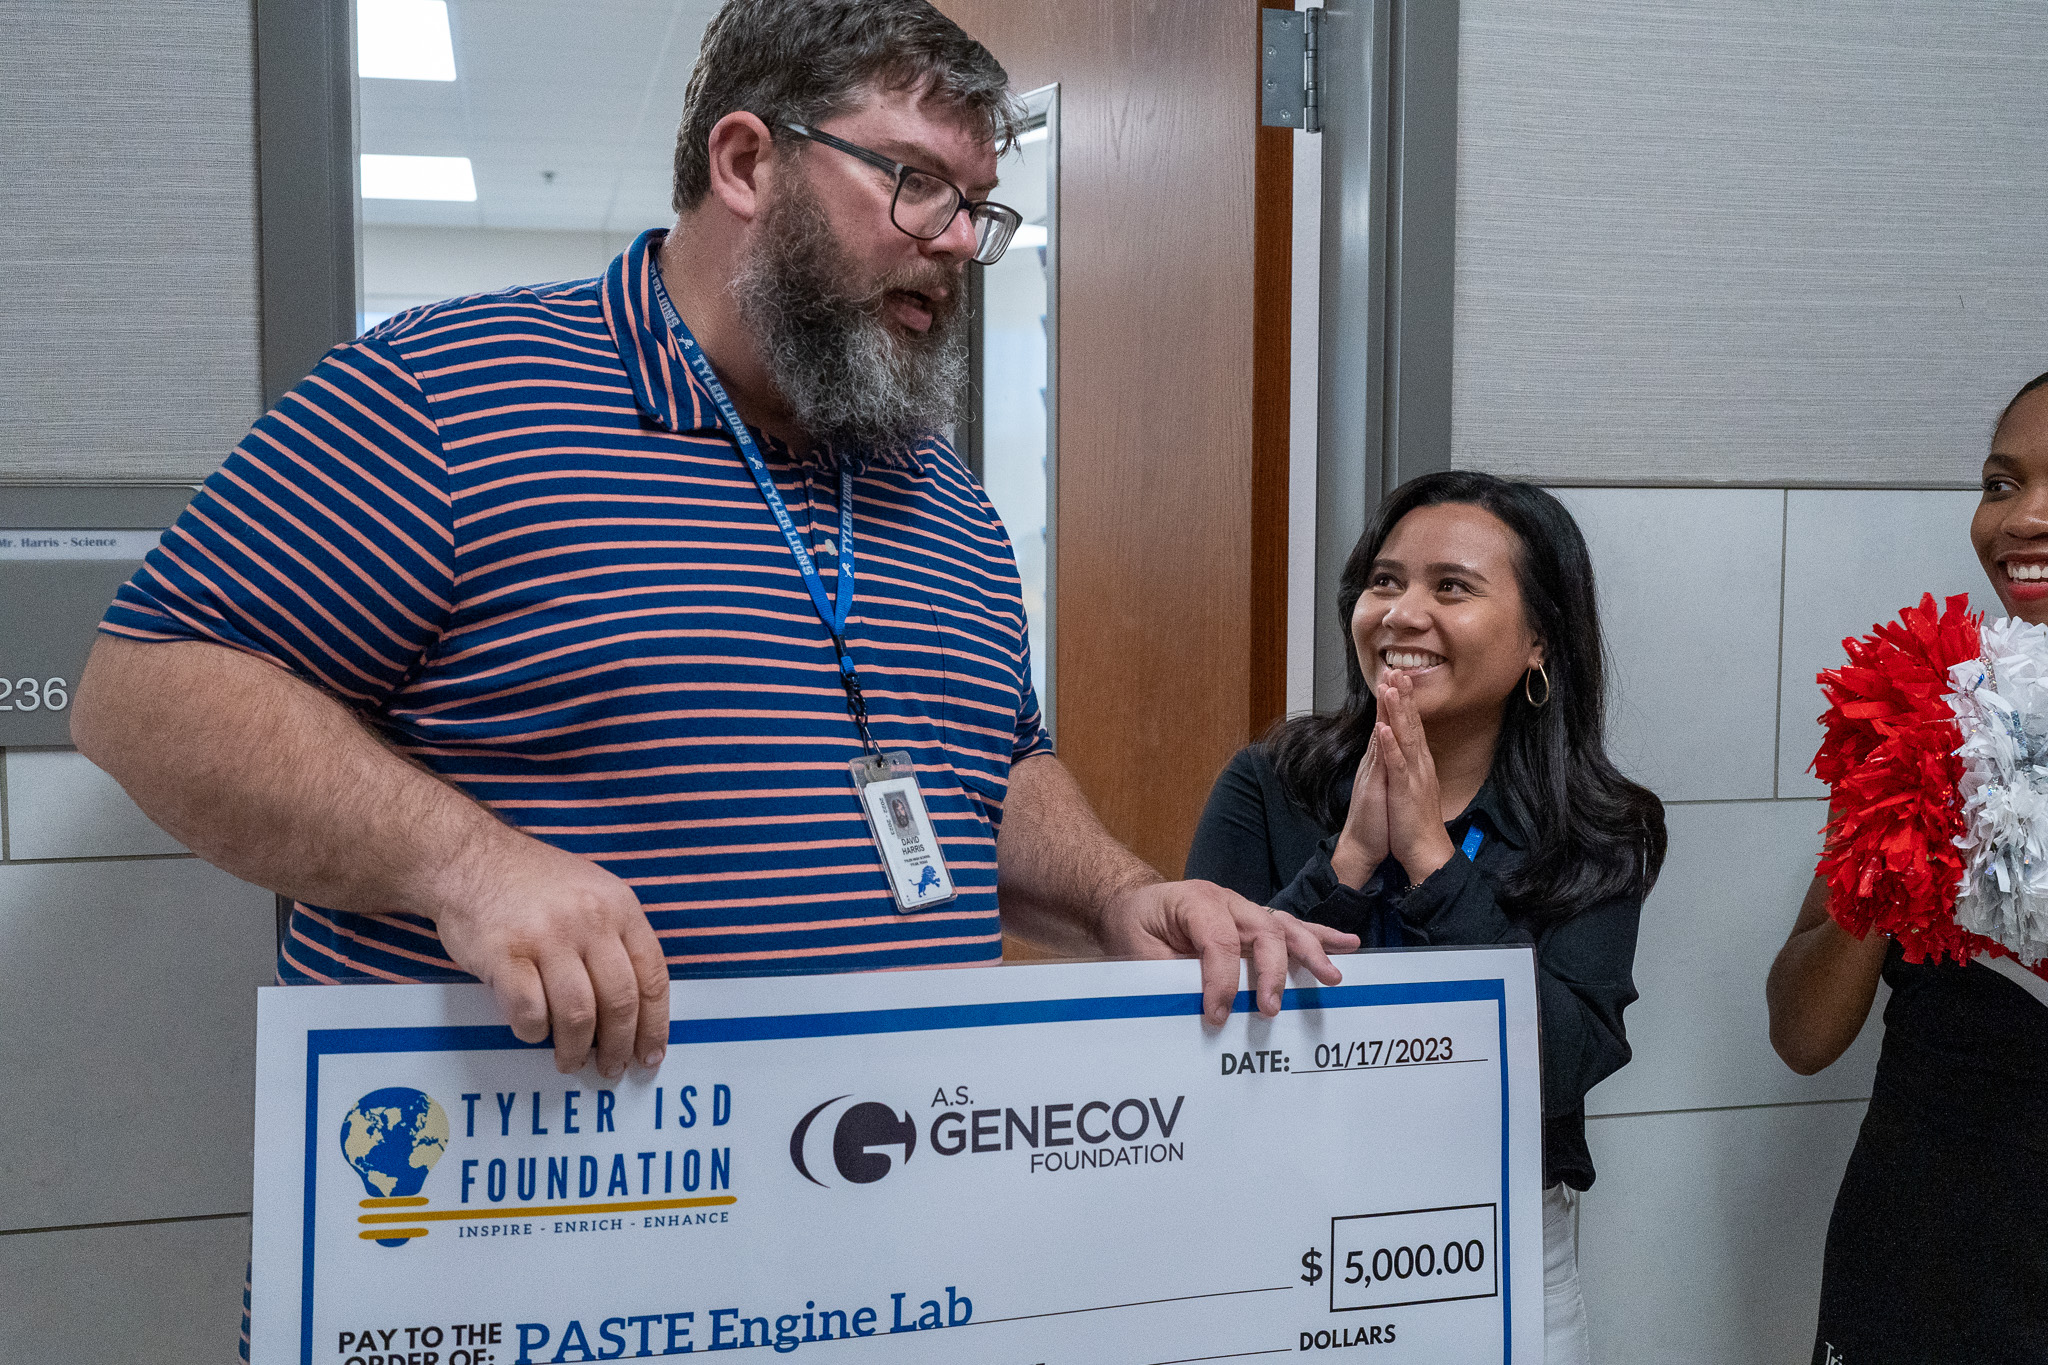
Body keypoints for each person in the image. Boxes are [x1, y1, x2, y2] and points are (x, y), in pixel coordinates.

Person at [70, 0, 1356, 1076]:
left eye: (979, 205)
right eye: (914, 182)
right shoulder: (445, 394)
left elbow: (989, 768)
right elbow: (150, 694)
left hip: (887, 1204)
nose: (959, 242)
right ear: (745, 163)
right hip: (520, 1209)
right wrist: (472, 868)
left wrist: (1110, 897)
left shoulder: (939, 491)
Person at [1187, 470, 1666, 1364]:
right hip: (1277, 1234)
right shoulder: (1268, 784)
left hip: (1500, 1244)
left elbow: (1560, 1064)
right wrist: (1347, 866)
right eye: (1384, 580)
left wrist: (1435, 865)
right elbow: (1198, 1031)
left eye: (1451, 587)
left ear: (1539, 642)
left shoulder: (1601, 827)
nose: (1402, 613)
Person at [1767, 369, 2048, 1365]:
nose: (2021, 519)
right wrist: (1891, 830)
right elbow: (1801, 1035)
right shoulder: (1926, 709)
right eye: (1998, 482)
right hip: (1922, 1269)